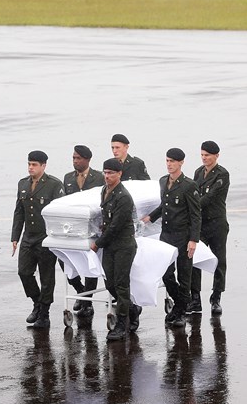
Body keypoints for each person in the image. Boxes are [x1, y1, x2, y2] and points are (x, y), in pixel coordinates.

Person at [142, 148, 201, 328]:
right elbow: (164, 205)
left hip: (183, 237)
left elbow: (195, 215)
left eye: (173, 161)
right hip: (166, 235)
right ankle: (180, 303)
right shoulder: (163, 181)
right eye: (167, 161)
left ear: (181, 163)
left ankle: (181, 311)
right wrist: (150, 217)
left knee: (184, 276)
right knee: (167, 274)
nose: (169, 164)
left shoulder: (189, 186)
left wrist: (193, 240)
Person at [12, 151, 65, 328]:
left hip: (46, 238)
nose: (30, 168)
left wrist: (58, 238)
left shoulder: (54, 185)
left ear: (43, 166)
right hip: (28, 237)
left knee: (46, 277)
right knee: (24, 272)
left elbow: (60, 213)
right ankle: (37, 302)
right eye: (29, 164)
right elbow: (19, 212)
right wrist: (15, 237)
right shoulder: (23, 184)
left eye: (34, 165)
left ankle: (44, 313)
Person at [90, 158, 138, 341]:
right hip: (110, 245)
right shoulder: (105, 190)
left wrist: (98, 243)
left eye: (111, 173)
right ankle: (132, 309)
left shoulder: (123, 197)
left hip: (124, 245)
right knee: (110, 283)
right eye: (105, 172)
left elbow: (116, 225)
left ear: (120, 174)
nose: (107, 176)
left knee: (121, 284)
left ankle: (122, 323)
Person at [61, 145, 103, 318]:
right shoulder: (68, 178)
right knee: (64, 261)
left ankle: (87, 301)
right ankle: (81, 290)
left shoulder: (99, 177)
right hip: (73, 229)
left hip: (92, 228)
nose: (75, 161)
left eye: (78, 158)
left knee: (89, 265)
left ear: (87, 160)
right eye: (73, 158)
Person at [188, 141, 230, 315]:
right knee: (194, 259)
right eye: (202, 155)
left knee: (219, 260)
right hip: (201, 224)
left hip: (217, 223)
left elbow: (209, 197)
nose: (204, 158)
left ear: (216, 156)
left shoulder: (222, 174)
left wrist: (188, 206)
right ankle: (195, 298)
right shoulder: (198, 172)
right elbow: (194, 192)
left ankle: (216, 297)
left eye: (208, 155)